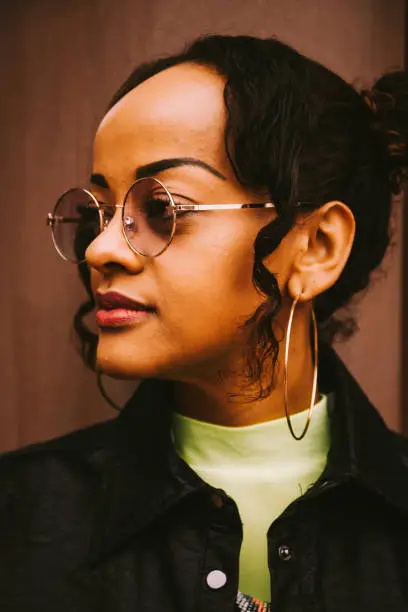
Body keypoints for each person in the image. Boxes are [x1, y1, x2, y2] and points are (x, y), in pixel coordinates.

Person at [1, 33, 408, 612]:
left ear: (315, 246)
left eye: (162, 208)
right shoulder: (18, 518)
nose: (99, 250)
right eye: (99, 211)